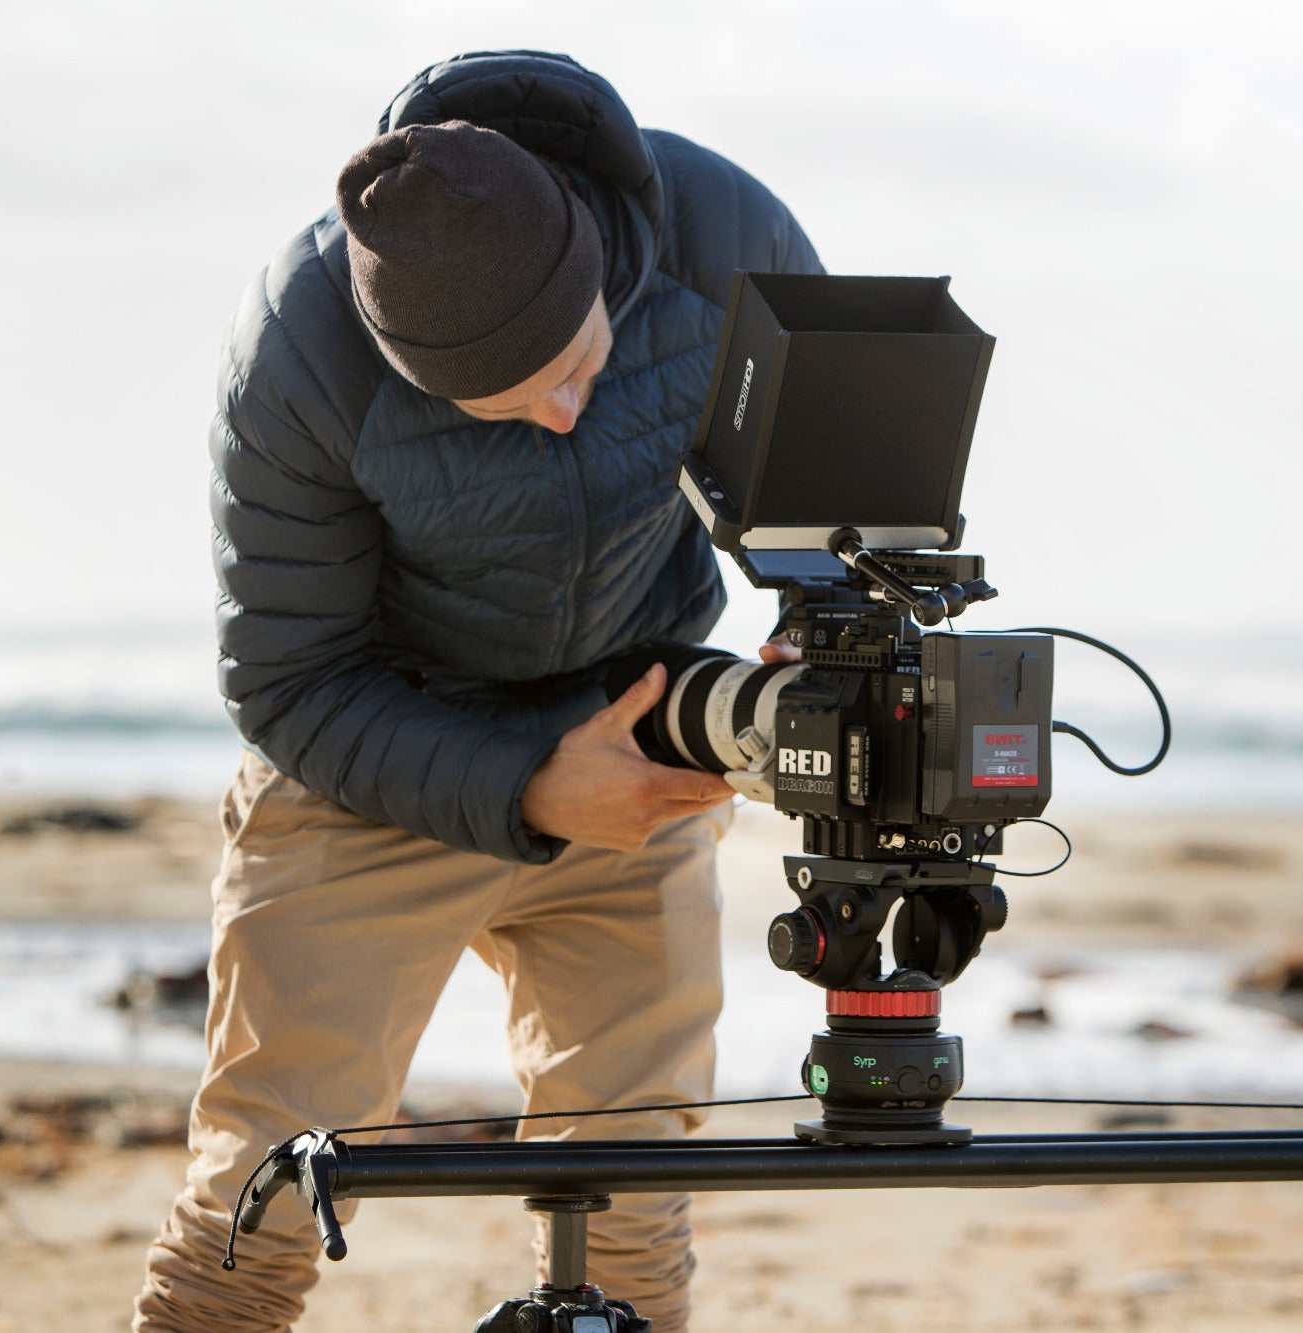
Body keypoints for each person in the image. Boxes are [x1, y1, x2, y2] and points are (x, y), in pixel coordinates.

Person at [134, 50, 820, 1333]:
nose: (560, 416)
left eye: (572, 370)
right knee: (261, 1196)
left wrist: (809, 633)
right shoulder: (297, 351)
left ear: (595, 274)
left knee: (633, 1205)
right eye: (502, 409)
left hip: (639, 746)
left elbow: (827, 492)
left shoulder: (728, 235)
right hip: (370, 767)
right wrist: (530, 783)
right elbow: (288, 678)